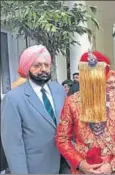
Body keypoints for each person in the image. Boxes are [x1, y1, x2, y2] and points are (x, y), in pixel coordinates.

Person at [55, 51, 115, 174]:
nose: (91, 78)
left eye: (96, 74)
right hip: (82, 170)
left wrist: (112, 165)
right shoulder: (71, 102)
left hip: (113, 169)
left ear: (104, 75)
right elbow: (62, 138)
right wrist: (80, 164)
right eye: (87, 74)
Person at [1, 45, 69, 174]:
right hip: (37, 168)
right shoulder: (13, 98)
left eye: (46, 65)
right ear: (27, 68)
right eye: (37, 65)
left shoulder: (59, 90)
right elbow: (13, 145)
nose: (43, 69)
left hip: (66, 164)